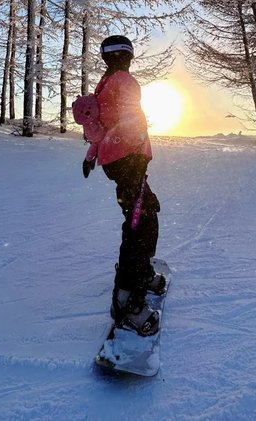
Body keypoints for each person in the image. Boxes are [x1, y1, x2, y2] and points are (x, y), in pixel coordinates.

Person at [82, 35, 165, 336]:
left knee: (144, 212)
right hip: (128, 159)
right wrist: (138, 154)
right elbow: (131, 121)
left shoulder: (104, 85)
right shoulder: (126, 82)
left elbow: (101, 129)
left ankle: (141, 275)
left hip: (117, 162)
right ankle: (128, 302)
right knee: (139, 225)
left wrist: (93, 156)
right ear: (128, 57)